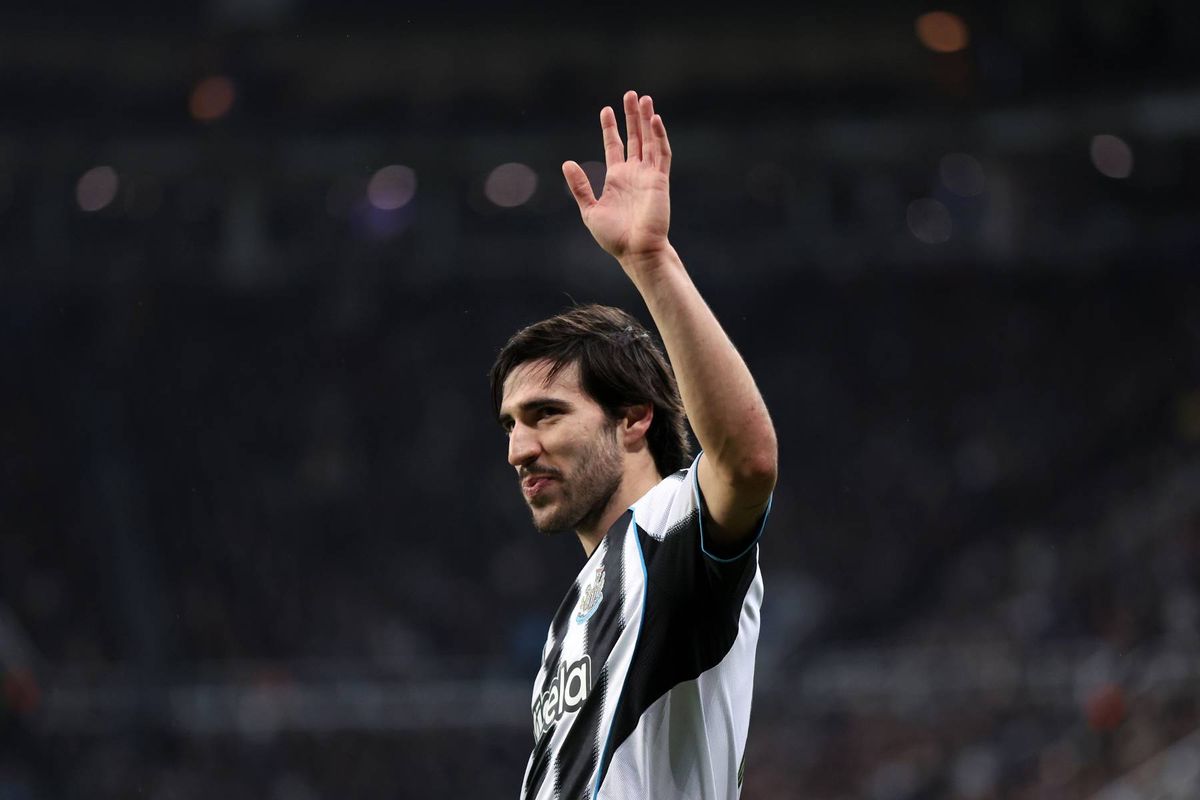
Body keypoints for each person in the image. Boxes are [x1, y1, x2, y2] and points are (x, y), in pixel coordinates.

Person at [490, 90, 778, 800]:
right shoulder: (576, 618)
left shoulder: (675, 536)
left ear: (633, 419)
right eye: (511, 424)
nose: (519, 448)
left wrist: (650, 260)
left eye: (547, 414)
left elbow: (747, 460)